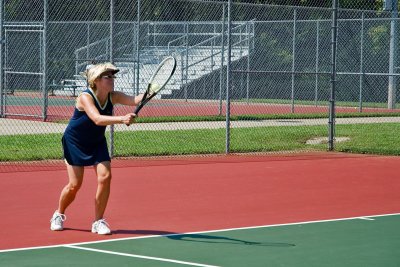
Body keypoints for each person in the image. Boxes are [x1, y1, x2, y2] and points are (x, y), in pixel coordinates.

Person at [50, 62, 143, 235]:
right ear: (96, 80)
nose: (112, 79)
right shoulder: (85, 97)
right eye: (108, 76)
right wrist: (122, 119)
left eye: (113, 76)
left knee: (105, 176)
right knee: (74, 185)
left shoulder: (113, 96)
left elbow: (134, 100)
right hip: (75, 142)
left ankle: (98, 221)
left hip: (97, 141)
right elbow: (97, 119)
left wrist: (149, 92)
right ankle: (58, 213)